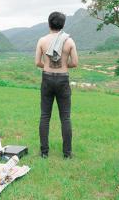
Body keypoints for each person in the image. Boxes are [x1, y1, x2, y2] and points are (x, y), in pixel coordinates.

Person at [35, 11, 78, 159]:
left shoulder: (42, 41)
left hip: (47, 78)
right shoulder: (69, 41)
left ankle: (44, 152)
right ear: (63, 25)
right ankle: (67, 154)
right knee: (65, 117)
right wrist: (63, 64)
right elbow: (75, 63)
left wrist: (48, 65)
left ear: (49, 24)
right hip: (63, 80)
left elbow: (37, 63)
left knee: (45, 116)